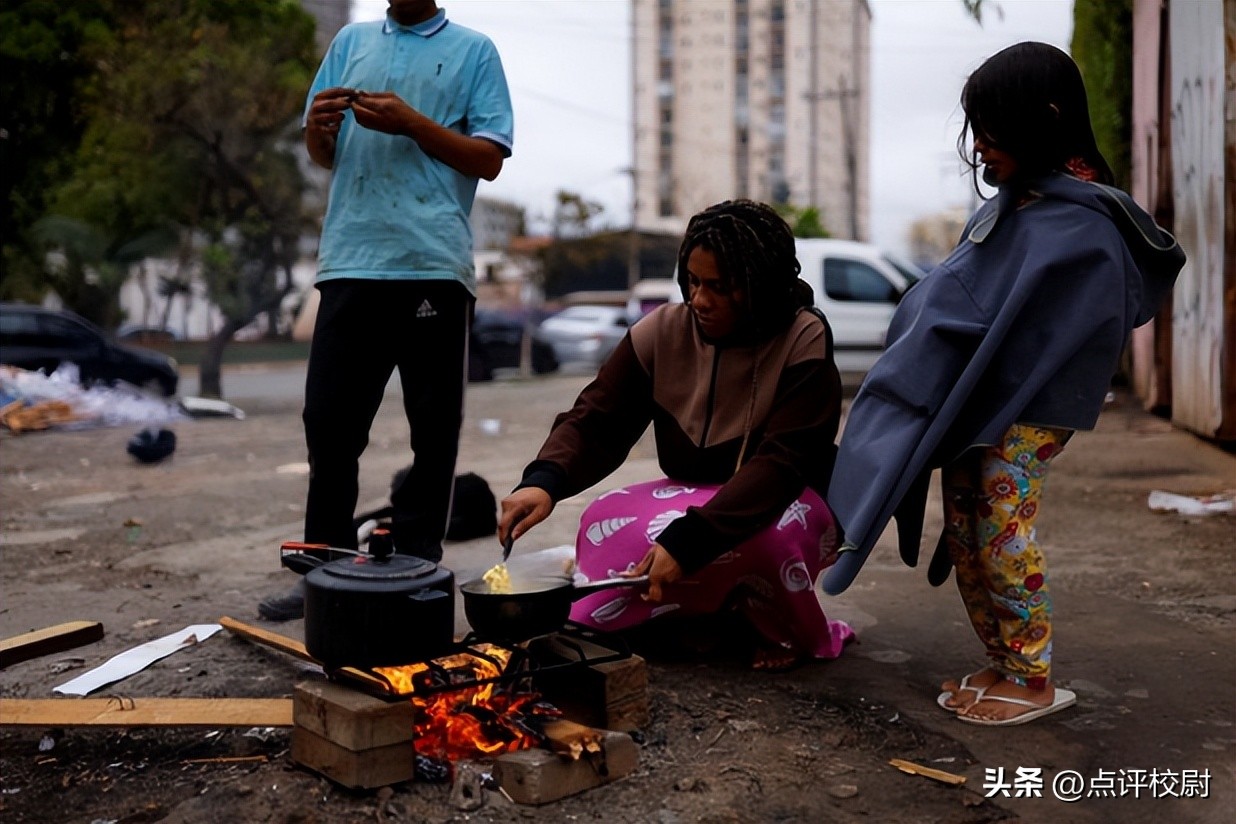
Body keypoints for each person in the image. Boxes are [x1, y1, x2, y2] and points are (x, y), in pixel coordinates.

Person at [823, 43, 1185, 723]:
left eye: (992, 128)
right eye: (976, 128)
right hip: (987, 402)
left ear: (1044, 119)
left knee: (998, 522)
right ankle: (1002, 660)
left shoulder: (1085, 221)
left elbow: (1074, 330)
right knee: (963, 519)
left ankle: (1033, 674)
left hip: (1035, 408)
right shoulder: (1017, 207)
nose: (979, 145)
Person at [498, 200, 855, 670]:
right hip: (693, 494)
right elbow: (597, 418)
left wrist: (688, 542)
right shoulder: (661, 331)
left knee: (766, 540)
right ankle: (689, 618)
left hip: (787, 496)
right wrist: (544, 481)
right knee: (603, 519)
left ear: (761, 286)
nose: (700, 299)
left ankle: (774, 627)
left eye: (720, 287)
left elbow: (784, 462)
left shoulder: (802, 335)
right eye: (693, 281)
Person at [259, 0, 514, 620]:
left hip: (432, 263)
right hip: (350, 259)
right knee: (329, 425)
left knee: (433, 428)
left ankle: (419, 571)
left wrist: (412, 123)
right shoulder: (350, 43)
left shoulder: (474, 50)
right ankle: (323, 570)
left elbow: (489, 158)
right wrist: (319, 129)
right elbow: (326, 154)